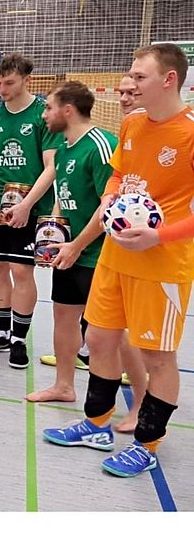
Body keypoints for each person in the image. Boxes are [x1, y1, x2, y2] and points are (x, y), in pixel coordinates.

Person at [43, 43, 194, 477]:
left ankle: (147, 443)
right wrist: (110, 198)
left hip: (163, 265)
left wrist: (159, 235)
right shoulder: (130, 124)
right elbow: (117, 173)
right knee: (102, 340)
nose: (129, 84)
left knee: (157, 356)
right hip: (114, 255)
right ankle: (96, 424)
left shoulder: (189, 132)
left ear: (169, 80)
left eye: (139, 77)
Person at [26, 81, 115, 403]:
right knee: (63, 318)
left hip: (100, 256)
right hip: (69, 252)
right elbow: (63, 198)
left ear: (67, 110)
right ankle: (64, 386)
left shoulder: (101, 145)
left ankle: (117, 401)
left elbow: (110, 206)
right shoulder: (62, 151)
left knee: (107, 333)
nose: (44, 115)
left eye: (48, 108)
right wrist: (52, 235)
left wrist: (77, 245)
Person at [0, 53, 62, 368]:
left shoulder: (42, 115)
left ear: (27, 80)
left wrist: (27, 205)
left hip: (30, 210)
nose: (2, 88)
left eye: (9, 83)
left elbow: (52, 166)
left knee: (21, 271)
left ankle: (19, 340)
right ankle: (1, 332)